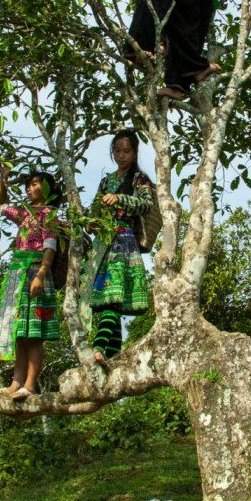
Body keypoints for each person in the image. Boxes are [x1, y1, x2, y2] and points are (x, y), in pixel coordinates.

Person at [0, 168, 63, 399]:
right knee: (19, 332)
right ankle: (15, 383)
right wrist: (4, 177)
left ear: (48, 188)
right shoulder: (23, 213)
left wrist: (41, 274)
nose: (31, 189)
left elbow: (50, 246)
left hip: (35, 270)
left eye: (36, 184)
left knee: (34, 332)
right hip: (17, 272)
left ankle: (29, 386)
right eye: (28, 185)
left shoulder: (49, 214)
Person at [84, 130, 153, 365]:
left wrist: (120, 199)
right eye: (117, 150)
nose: (121, 155)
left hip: (123, 242)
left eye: (126, 151)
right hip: (103, 243)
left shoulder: (139, 179)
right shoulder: (106, 180)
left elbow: (146, 204)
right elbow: (94, 208)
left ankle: (99, 348)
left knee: (112, 298)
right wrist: (90, 222)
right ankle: (113, 356)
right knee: (104, 300)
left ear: (134, 153)